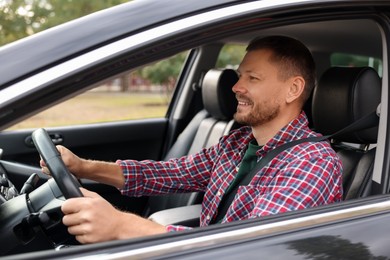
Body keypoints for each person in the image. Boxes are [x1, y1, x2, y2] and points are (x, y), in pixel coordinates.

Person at [41, 35, 343, 244]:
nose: (236, 86)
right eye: (240, 76)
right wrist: (83, 167)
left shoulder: (312, 163)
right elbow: (166, 174)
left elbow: (253, 250)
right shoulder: (237, 143)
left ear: (293, 89)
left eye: (253, 78)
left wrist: (122, 226)